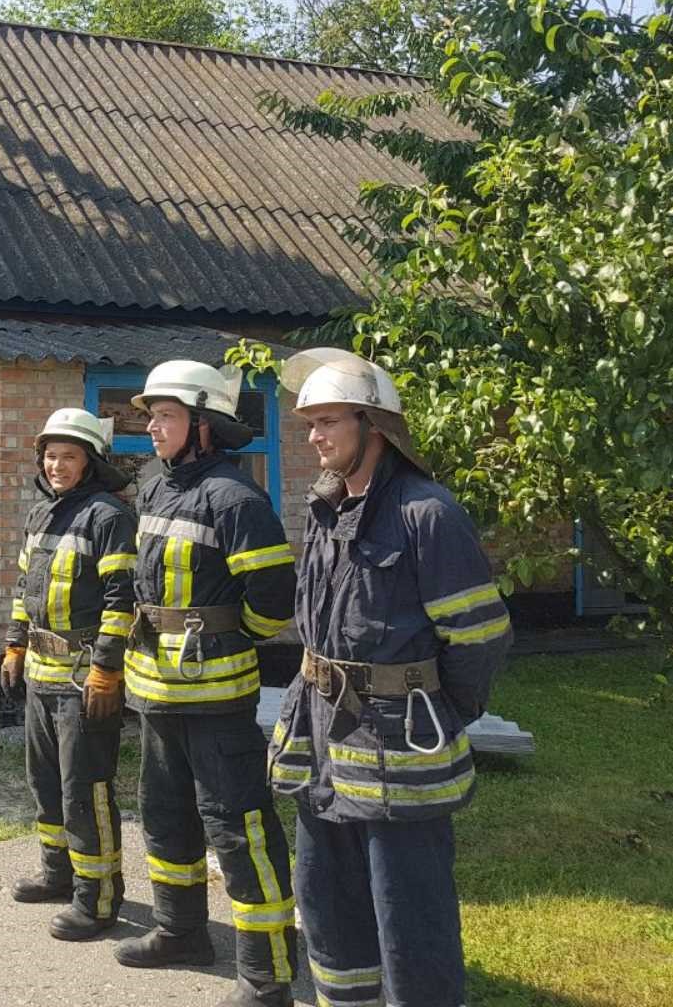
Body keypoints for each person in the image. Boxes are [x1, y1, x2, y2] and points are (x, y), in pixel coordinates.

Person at [269, 349, 512, 1007]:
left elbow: (480, 636)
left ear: (373, 425)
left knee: (410, 918)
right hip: (322, 741)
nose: (314, 438)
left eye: (327, 422)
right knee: (327, 903)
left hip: (400, 752)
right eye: (309, 424)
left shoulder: (428, 514)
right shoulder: (324, 510)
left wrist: (440, 708)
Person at [114, 361, 297, 1007]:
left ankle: (267, 974)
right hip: (156, 692)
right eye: (151, 416)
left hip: (216, 698)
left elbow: (273, 601)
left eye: (165, 416)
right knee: (164, 816)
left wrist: (222, 634)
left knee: (237, 828)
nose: (151, 427)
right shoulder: (154, 486)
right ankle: (181, 932)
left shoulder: (235, 499)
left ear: (204, 425)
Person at [0, 408, 138, 940]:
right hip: (41, 673)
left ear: (91, 462)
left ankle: (97, 898)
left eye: (69, 456)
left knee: (85, 789)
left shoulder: (108, 517)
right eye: (50, 456)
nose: (56, 465)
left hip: (83, 680)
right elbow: (23, 587)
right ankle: (58, 874)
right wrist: (15, 645)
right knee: (45, 783)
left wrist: (106, 669)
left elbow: (121, 599)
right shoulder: (41, 514)